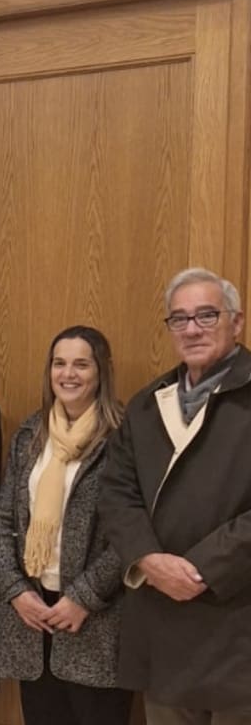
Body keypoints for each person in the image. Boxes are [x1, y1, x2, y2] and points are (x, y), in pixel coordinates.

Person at [101, 267, 251, 723]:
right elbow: (116, 493)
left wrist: (204, 568)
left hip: (237, 619)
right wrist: (149, 559)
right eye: (179, 319)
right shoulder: (148, 403)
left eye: (207, 315)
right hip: (162, 620)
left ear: (237, 322)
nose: (192, 329)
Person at [0, 326, 131, 725]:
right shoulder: (31, 433)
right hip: (31, 616)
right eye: (59, 363)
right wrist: (15, 591)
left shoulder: (124, 436)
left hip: (95, 617)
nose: (68, 374)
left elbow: (132, 530)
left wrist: (83, 597)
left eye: (81, 364)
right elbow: (2, 518)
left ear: (102, 371)